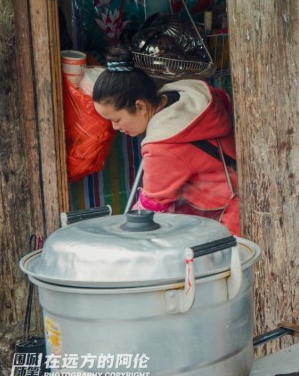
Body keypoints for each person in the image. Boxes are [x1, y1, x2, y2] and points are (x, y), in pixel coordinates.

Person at [92, 48, 239, 236]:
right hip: (244, 194)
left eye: (117, 119)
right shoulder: (190, 97)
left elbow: (151, 206)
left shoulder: (161, 146)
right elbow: (225, 101)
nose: (114, 127)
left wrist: (125, 231)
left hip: (224, 222)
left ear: (140, 106)